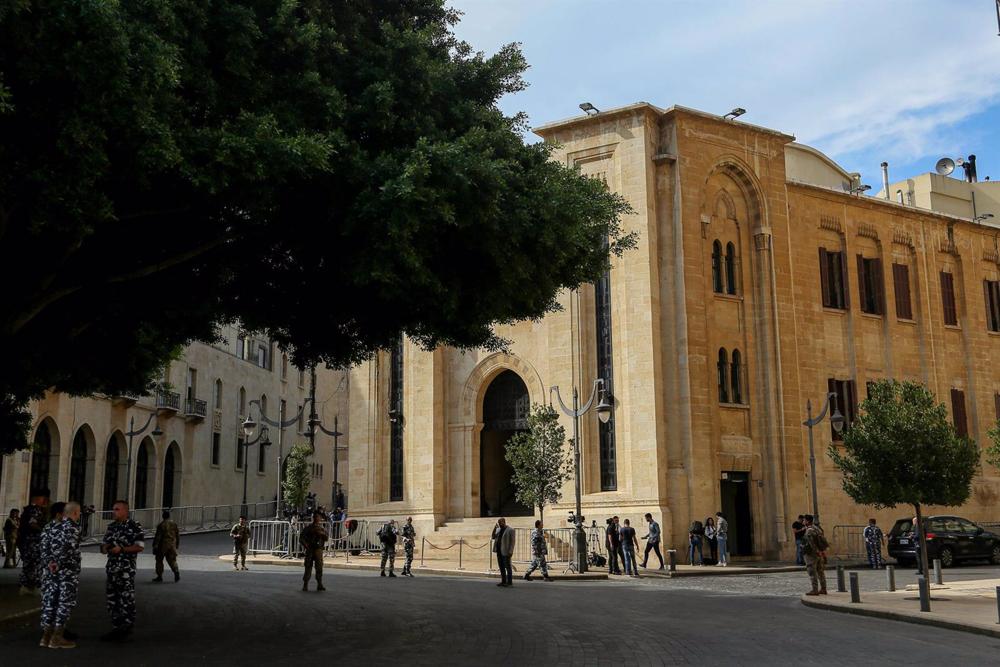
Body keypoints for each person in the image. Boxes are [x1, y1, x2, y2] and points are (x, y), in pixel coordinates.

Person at [39, 502, 82, 649]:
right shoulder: (72, 527)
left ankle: (45, 637)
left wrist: (50, 563)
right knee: (64, 603)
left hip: (49, 572)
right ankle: (57, 638)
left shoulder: (49, 527)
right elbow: (68, 547)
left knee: (49, 602)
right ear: (75, 513)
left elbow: (43, 549)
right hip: (66, 573)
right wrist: (58, 563)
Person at [100, 500, 144, 641]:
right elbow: (103, 546)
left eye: (117, 509)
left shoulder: (134, 526)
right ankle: (116, 627)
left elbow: (139, 546)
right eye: (113, 509)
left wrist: (122, 549)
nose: (114, 512)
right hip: (112, 569)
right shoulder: (112, 527)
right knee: (112, 600)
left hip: (125, 569)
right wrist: (105, 547)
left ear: (125, 511)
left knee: (126, 598)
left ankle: (127, 626)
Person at [18, 487, 50, 595]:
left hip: (28, 541)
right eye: (43, 498)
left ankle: (25, 586)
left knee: (28, 564)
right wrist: (44, 531)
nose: (45, 500)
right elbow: (33, 523)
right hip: (34, 541)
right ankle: (36, 586)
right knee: (37, 564)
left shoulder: (28, 509)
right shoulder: (35, 510)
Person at [300, 511, 329, 591]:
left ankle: (319, 584)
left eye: (318, 517)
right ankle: (305, 584)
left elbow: (326, 538)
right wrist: (307, 546)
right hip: (310, 549)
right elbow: (301, 538)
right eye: (316, 517)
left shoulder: (321, 528)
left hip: (318, 550)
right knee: (308, 567)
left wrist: (321, 533)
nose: (317, 518)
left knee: (319, 567)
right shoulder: (308, 528)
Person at [802, 514, 828, 595]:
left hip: (812, 554)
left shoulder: (809, 530)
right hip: (819, 553)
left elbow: (812, 543)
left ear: (807, 521)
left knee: (812, 571)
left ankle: (815, 589)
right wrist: (822, 552)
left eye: (804, 520)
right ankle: (823, 588)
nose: (803, 521)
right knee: (820, 571)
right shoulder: (817, 528)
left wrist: (817, 551)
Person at [152, 511, 180, 583]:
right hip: (172, 544)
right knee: (172, 560)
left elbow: (158, 536)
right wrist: (177, 544)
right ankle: (176, 571)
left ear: (163, 516)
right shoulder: (174, 524)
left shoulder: (161, 525)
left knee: (159, 560)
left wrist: (155, 545)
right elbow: (177, 535)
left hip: (162, 545)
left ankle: (159, 576)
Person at [492, 517, 515, 587]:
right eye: (498, 523)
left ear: (504, 522)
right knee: (501, 567)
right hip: (499, 551)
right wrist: (494, 528)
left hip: (506, 551)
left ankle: (509, 582)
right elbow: (493, 537)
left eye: (500, 522)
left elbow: (512, 541)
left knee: (508, 567)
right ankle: (503, 581)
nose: (499, 524)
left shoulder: (510, 530)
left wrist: (511, 551)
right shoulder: (498, 530)